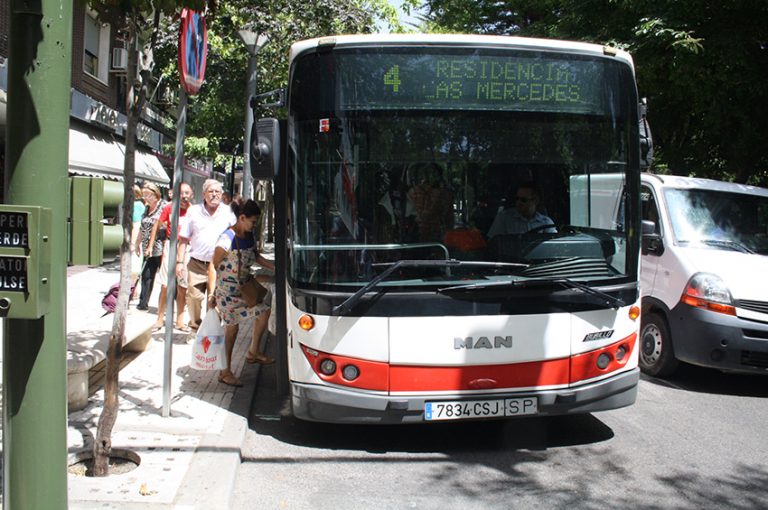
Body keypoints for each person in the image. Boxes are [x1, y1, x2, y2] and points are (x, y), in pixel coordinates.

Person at [211, 198, 275, 387]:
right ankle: (224, 371)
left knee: (264, 311)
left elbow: (255, 256)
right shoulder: (226, 238)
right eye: (253, 221)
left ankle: (253, 352)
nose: (254, 225)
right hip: (227, 292)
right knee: (232, 330)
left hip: (245, 288)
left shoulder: (249, 235)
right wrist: (212, 294)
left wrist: (275, 267)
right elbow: (212, 264)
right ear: (242, 217)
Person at [177, 179, 236, 330]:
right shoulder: (193, 211)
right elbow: (183, 238)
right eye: (211, 191)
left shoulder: (228, 212)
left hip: (219, 266)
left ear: (222, 195)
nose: (214, 195)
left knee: (215, 301)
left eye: (218, 192)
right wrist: (178, 263)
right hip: (196, 264)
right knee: (194, 298)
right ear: (204, 194)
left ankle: (211, 334)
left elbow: (236, 235)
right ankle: (195, 327)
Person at [149, 182, 193, 331]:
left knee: (183, 287)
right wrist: (151, 245)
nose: (184, 196)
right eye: (181, 193)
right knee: (165, 285)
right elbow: (157, 224)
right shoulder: (169, 208)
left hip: (187, 248)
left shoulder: (194, 211)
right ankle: (160, 319)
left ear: (191, 195)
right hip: (171, 245)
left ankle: (180, 321)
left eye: (187, 193)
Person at [135, 182, 167, 311]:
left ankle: (173, 301)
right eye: (144, 195)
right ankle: (143, 302)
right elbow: (143, 228)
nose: (146, 198)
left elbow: (160, 226)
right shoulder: (146, 208)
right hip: (147, 247)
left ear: (156, 194)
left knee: (165, 277)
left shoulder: (163, 206)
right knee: (146, 274)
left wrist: (151, 245)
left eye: (148, 195)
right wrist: (137, 243)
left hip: (160, 246)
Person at [487, 181, 555, 238]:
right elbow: (493, 243)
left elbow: (553, 245)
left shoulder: (546, 222)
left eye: (523, 200)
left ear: (536, 201)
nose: (518, 202)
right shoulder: (504, 218)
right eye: (517, 198)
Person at [407, 162, 453, 241]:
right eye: (428, 173)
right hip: (419, 234)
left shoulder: (413, 191)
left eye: (433, 173)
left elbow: (448, 216)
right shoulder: (414, 192)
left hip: (433, 235)